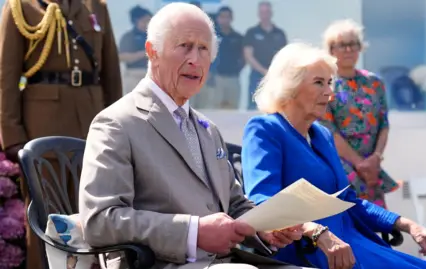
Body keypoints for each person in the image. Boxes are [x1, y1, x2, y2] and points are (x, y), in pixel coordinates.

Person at [78, 3, 306, 269]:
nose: (195, 60)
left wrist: (267, 227)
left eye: (204, 49)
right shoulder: (116, 123)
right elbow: (99, 221)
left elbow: (234, 205)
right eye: (184, 46)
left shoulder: (207, 128)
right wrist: (193, 231)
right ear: (153, 52)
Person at [241, 42, 426, 269]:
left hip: (350, 242)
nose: (329, 92)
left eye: (329, 83)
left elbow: (348, 203)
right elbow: (263, 203)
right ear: (290, 86)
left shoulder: (322, 135)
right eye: (319, 83)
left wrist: (408, 225)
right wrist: (316, 232)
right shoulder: (265, 129)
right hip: (309, 250)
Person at [0, 0, 122, 268]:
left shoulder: (96, 7)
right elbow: (6, 77)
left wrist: (121, 129)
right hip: (42, 126)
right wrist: (12, 134)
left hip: (92, 121)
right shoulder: (20, 8)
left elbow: (111, 74)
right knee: (46, 214)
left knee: (93, 209)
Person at [318, 19, 400, 208]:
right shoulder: (326, 84)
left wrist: (376, 158)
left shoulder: (374, 82)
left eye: (353, 44)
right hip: (342, 168)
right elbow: (328, 130)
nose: (348, 50)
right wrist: (359, 164)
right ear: (331, 50)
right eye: (342, 45)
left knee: (377, 224)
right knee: (351, 221)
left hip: (372, 168)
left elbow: (383, 124)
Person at [244, 1, 287, 110]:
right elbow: (248, 56)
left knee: (275, 106)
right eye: (262, 12)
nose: (265, 14)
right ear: (259, 14)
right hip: (256, 77)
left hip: (276, 76)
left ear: (271, 13)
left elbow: (285, 55)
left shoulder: (280, 33)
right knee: (253, 106)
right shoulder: (251, 32)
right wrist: (263, 71)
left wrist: (273, 72)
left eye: (267, 11)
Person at [214, 6, 245, 109]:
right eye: (222, 17)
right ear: (218, 18)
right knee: (215, 110)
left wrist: (237, 69)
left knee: (232, 110)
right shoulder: (212, 36)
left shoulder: (238, 37)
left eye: (227, 17)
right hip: (217, 79)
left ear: (231, 19)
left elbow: (244, 57)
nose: (224, 20)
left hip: (233, 78)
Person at [119, 5, 152, 95]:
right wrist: (145, 53)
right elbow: (122, 57)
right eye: (144, 20)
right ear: (136, 21)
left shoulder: (153, 36)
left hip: (153, 76)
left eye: (149, 20)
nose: (147, 23)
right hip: (134, 75)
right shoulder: (128, 37)